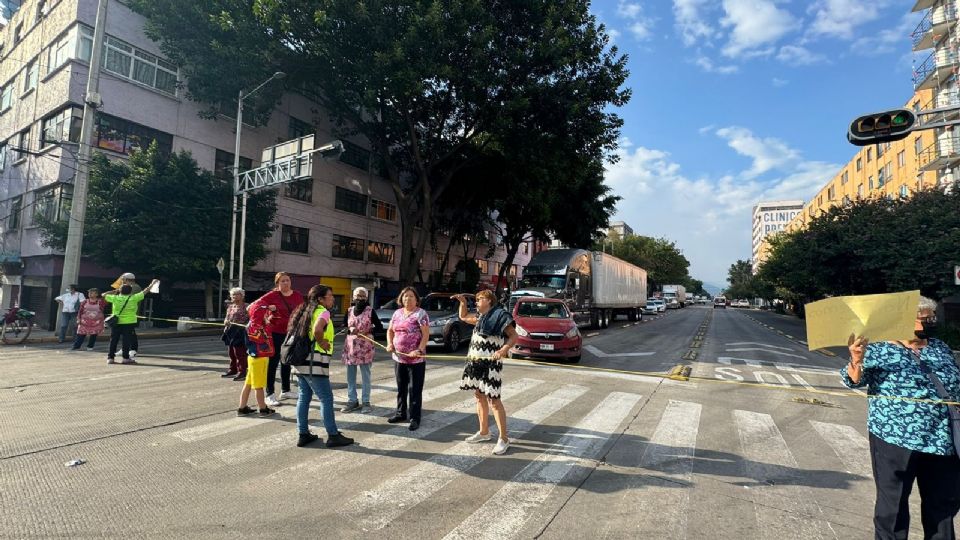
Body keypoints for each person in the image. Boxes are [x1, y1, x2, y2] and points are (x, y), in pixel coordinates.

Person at [842, 295, 960, 539]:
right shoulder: (879, 349)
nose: (931, 322)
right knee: (892, 507)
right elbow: (853, 380)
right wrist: (856, 359)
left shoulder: (940, 347)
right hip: (895, 439)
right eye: (925, 319)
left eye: (932, 318)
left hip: (941, 440)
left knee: (942, 506)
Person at [287, 284, 354, 448]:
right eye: (330, 296)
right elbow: (318, 330)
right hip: (314, 363)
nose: (332, 299)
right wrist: (322, 341)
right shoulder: (322, 312)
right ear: (320, 299)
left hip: (300, 363)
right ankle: (333, 435)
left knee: (304, 397)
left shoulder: (303, 311)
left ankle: (303, 434)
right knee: (326, 398)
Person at [456, 289, 519, 455]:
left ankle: (504, 438)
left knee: (494, 400)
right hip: (475, 361)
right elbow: (463, 317)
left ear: (489, 301)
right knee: (479, 395)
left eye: (480, 299)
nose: (476, 302)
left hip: (491, 364)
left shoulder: (500, 315)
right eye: (476, 299)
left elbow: (513, 336)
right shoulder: (480, 317)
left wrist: (503, 350)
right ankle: (484, 432)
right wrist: (462, 302)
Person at [248, 272, 304, 407]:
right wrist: (267, 308)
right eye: (283, 281)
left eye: (288, 280)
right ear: (277, 283)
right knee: (273, 363)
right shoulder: (272, 295)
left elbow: (303, 312)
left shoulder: (297, 295)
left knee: (286, 361)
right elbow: (252, 307)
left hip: (290, 333)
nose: (286, 283)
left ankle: (286, 390)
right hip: (274, 333)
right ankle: (270, 394)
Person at [385, 286, 430, 431]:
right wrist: (390, 344)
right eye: (405, 296)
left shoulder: (421, 314)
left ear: (416, 299)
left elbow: (425, 335)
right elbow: (390, 331)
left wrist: (418, 350)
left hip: (416, 360)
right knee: (401, 388)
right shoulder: (397, 313)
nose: (407, 299)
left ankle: (414, 418)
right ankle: (401, 413)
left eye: (411, 296)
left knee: (414, 389)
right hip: (399, 358)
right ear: (401, 299)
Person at [340, 286, 383, 413]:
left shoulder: (370, 311)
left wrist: (368, 330)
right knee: (350, 377)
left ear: (367, 297)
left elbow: (379, 327)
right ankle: (352, 401)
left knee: (366, 376)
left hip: (365, 348)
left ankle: (366, 402)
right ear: (353, 297)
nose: (360, 298)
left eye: (363, 296)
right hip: (350, 348)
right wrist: (349, 329)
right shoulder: (349, 310)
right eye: (358, 296)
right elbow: (343, 326)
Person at [103, 279, 158, 365]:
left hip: (116, 322)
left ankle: (110, 358)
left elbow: (104, 294)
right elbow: (145, 291)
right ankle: (125, 358)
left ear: (120, 291)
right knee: (126, 340)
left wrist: (116, 290)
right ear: (131, 291)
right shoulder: (134, 298)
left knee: (113, 340)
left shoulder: (115, 298)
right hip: (129, 322)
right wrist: (152, 283)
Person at [237, 304, 277, 418]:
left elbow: (272, 323)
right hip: (259, 358)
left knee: (249, 383)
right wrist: (267, 312)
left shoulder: (253, 324)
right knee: (259, 385)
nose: (266, 315)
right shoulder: (256, 326)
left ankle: (242, 407)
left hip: (253, 357)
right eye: (263, 313)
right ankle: (263, 408)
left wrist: (271, 312)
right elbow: (266, 332)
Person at [221, 287, 249, 379]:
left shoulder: (247, 306)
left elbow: (252, 319)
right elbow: (227, 317)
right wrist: (225, 321)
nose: (234, 296)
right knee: (231, 352)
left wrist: (246, 325)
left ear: (242, 296)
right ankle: (233, 369)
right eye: (233, 295)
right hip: (230, 331)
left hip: (241, 331)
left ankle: (242, 371)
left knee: (240, 353)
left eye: (237, 294)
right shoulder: (230, 306)